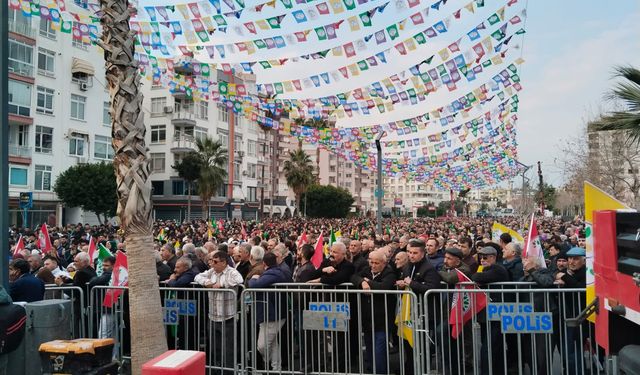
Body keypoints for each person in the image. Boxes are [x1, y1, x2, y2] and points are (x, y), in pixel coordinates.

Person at [395, 238, 441, 375]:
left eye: (414, 253)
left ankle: (422, 370)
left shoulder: (429, 269)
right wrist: (403, 283)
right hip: (409, 312)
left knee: (421, 347)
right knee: (409, 345)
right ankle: (410, 369)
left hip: (424, 314)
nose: (410, 255)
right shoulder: (408, 266)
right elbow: (408, 281)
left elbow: (431, 289)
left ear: (422, 253)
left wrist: (411, 283)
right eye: (409, 252)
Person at [194, 251, 244, 375]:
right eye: (211, 261)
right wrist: (207, 283)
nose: (212, 264)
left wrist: (221, 285)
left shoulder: (232, 272)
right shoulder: (211, 272)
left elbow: (239, 280)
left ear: (223, 262)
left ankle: (229, 372)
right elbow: (197, 277)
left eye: (215, 262)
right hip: (212, 317)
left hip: (228, 318)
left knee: (228, 350)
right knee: (215, 349)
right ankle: (216, 371)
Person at [350, 250, 396, 374]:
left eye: (377, 263)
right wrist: (362, 282)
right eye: (372, 262)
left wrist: (368, 282)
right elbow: (353, 277)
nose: (373, 265)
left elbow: (384, 287)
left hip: (383, 319)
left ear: (384, 263)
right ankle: (372, 369)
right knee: (369, 348)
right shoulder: (367, 271)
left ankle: (381, 372)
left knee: (380, 349)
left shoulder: (389, 273)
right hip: (368, 318)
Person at [248, 252, 290, 371]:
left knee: (262, 346)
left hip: (272, 314)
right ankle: (276, 368)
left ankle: (269, 362)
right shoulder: (273, 271)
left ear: (264, 263)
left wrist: (253, 278)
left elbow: (254, 285)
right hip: (268, 314)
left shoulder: (274, 273)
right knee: (273, 344)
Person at [471, 246, 509, 375]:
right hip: (489, 313)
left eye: (485, 257)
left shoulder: (497, 268)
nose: (482, 260)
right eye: (480, 257)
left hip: (496, 313)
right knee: (491, 346)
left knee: (490, 347)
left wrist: (480, 276)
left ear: (493, 257)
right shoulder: (487, 269)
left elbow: (476, 277)